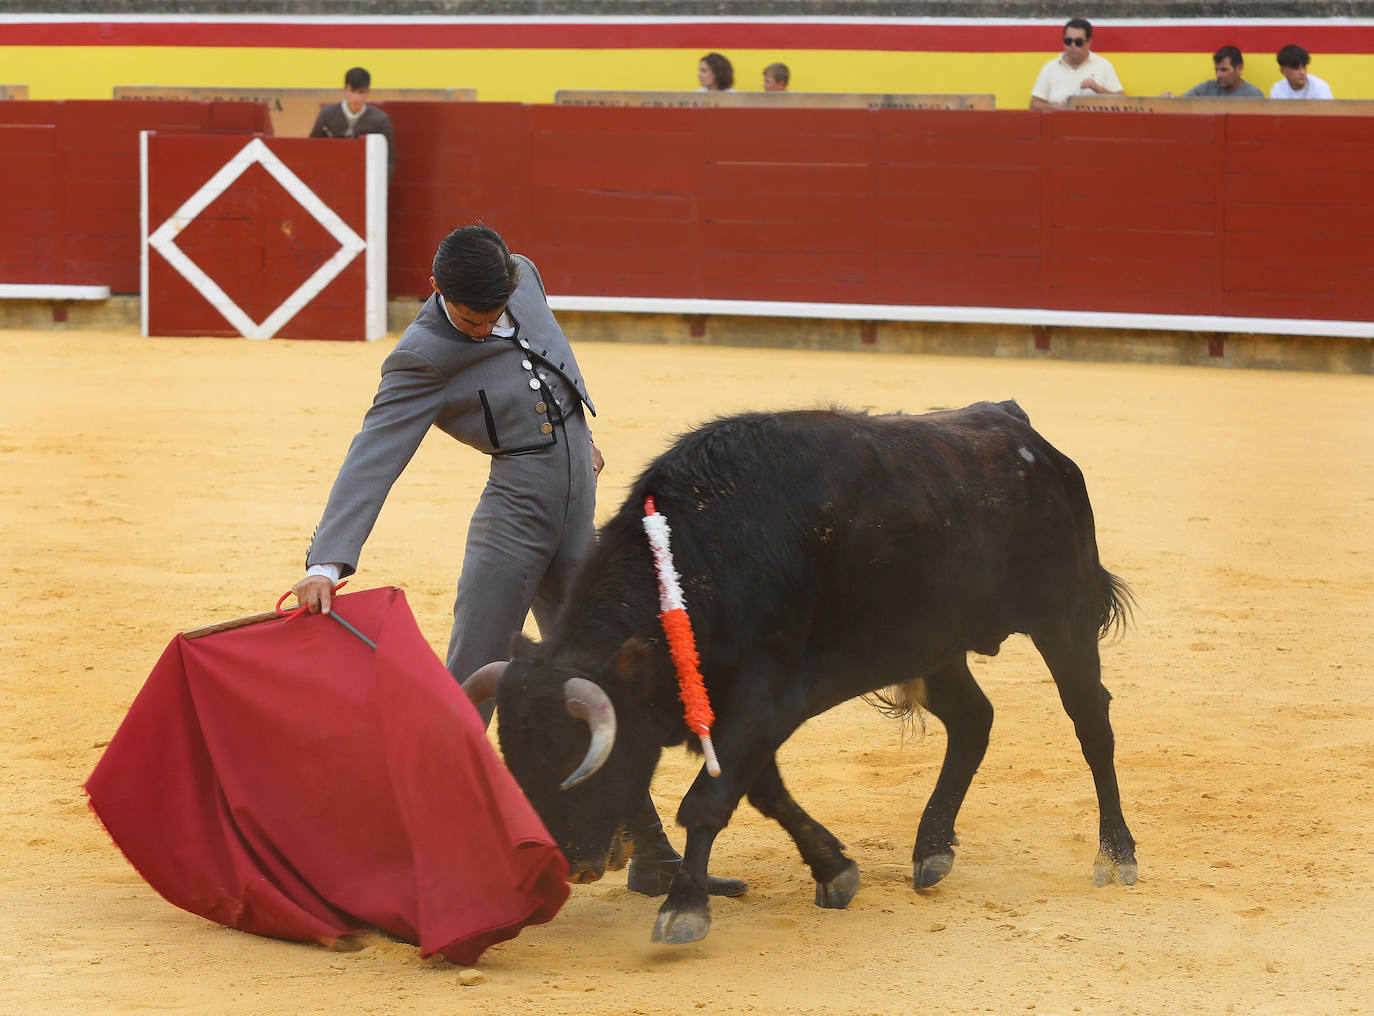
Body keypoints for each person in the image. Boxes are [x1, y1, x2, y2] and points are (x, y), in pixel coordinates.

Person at [291, 224, 745, 900]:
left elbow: (552, 354)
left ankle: (649, 851)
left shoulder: (521, 275)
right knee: (471, 680)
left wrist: (576, 433)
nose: (488, 326)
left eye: (497, 311)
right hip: (515, 519)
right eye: (475, 319)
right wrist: (328, 562)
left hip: (575, 512)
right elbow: (374, 453)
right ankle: (422, 853)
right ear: (439, 290)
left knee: (606, 676)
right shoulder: (420, 358)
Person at [309, 66, 396, 178]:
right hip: (332, 173)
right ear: (344, 90)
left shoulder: (380, 119)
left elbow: (388, 157)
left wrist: (382, 184)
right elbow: (313, 146)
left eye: (361, 92)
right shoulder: (327, 114)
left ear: (368, 92)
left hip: (366, 176)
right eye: (352, 91)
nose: (356, 98)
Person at [1030, 18, 1124, 110]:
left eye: (1078, 42)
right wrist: (1055, 107)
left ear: (1089, 42)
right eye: (1068, 41)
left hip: (1095, 123)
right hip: (1060, 123)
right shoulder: (1050, 68)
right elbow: (1034, 105)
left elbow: (1123, 102)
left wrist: (1098, 89)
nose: (1073, 46)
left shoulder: (1103, 65)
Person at [1168, 46, 1264, 98]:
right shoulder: (1207, 88)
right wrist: (1168, 99)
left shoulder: (1253, 95)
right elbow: (1180, 103)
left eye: (1224, 70)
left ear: (1239, 68)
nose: (1218, 75)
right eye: (1216, 70)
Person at [1270, 44, 1334, 99]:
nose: (1302, 72)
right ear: (1283, 71)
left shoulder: (1320, 87)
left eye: (1304, 67)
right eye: (1296, 67)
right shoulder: (1277, 89)